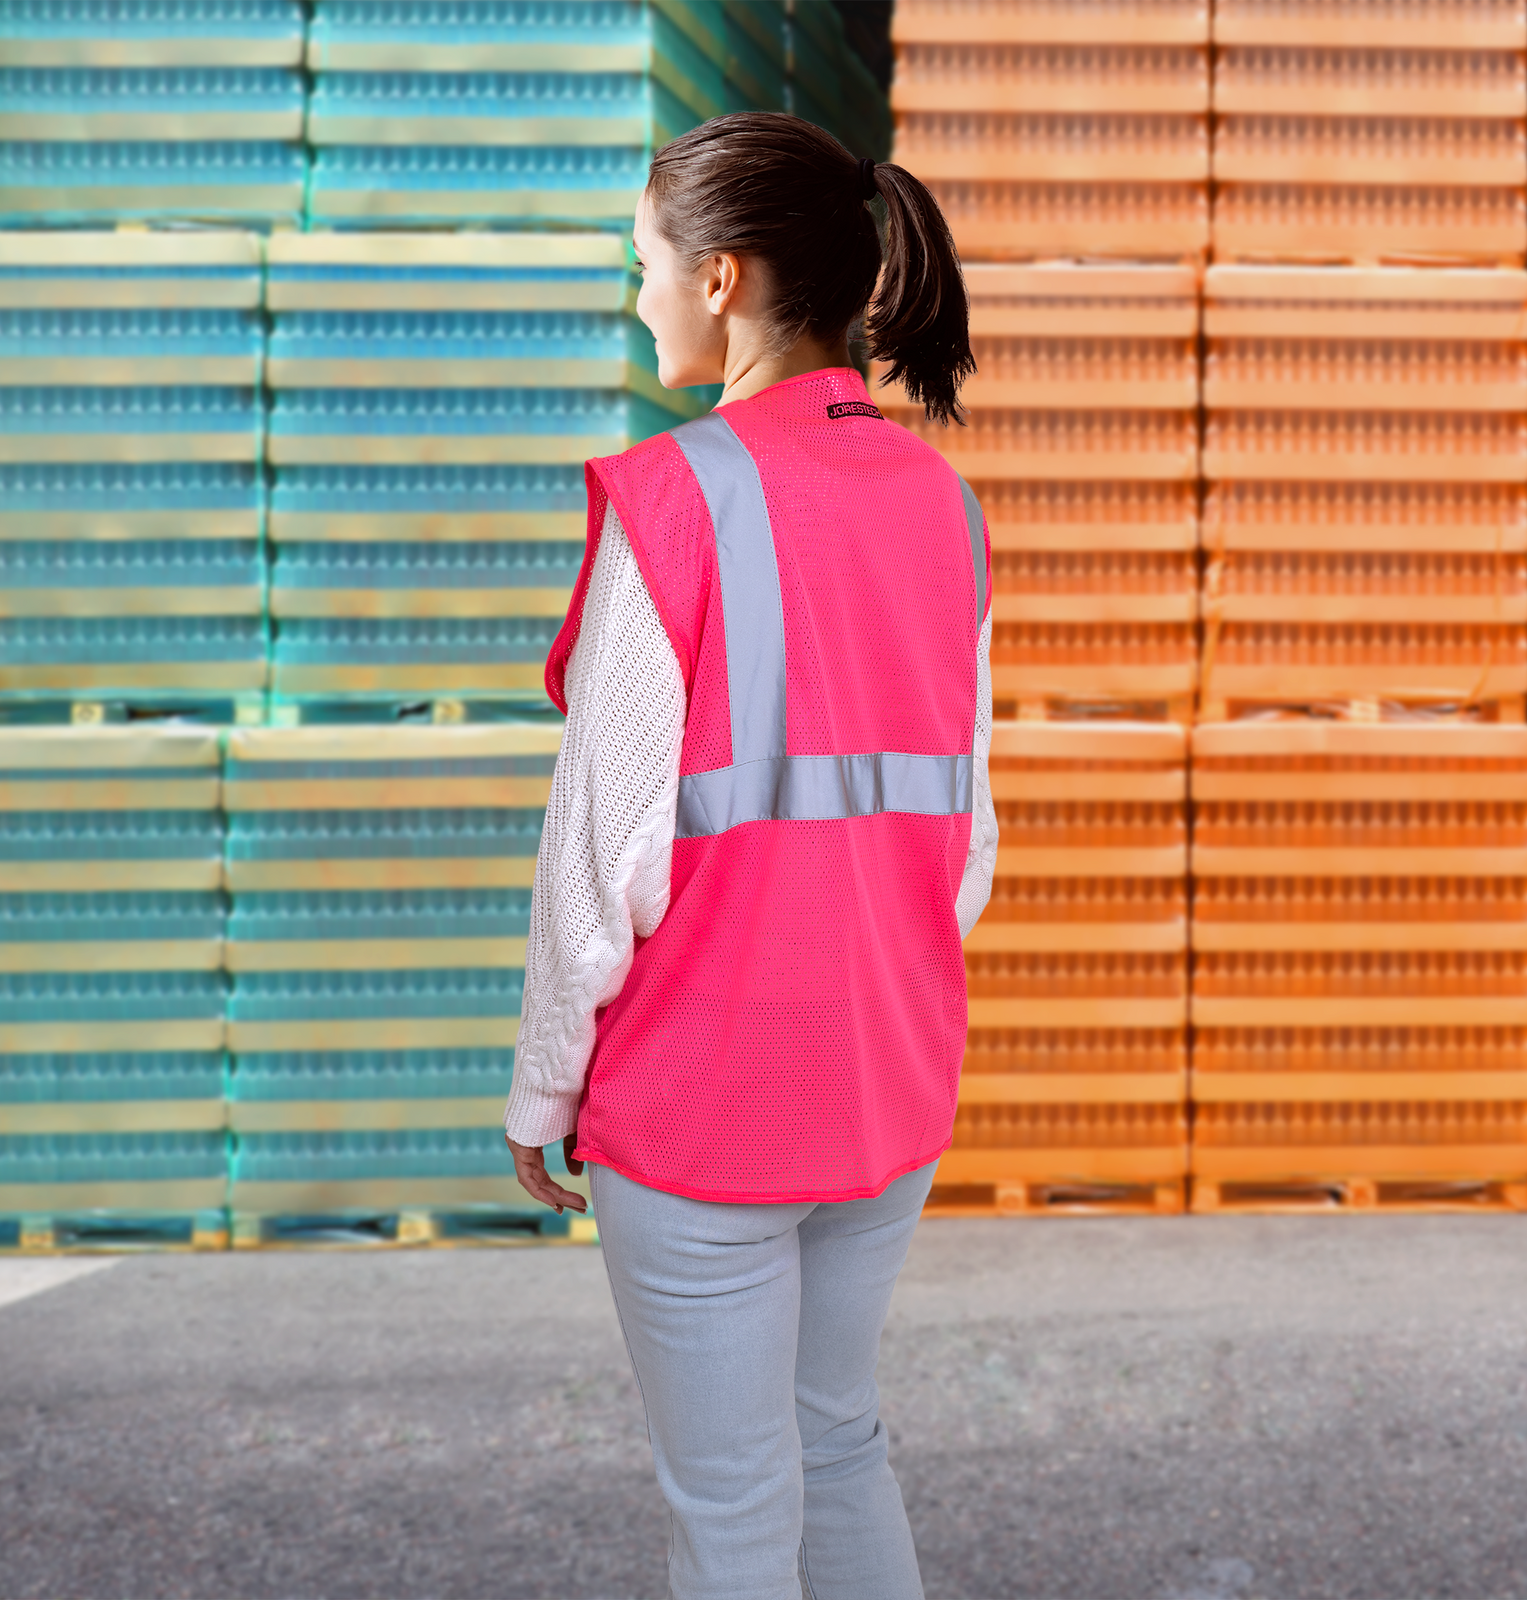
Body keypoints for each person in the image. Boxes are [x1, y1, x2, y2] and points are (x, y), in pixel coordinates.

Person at [503, 111, 997, 1600]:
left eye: (646, 261)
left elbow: (603, 851)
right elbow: (964, 843)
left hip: (707, 1097)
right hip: (885, 1085)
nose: (638, 291)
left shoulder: (673, 501)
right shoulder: (945, 507)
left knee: (726, 1505)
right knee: (837, 1442)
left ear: (720, 281)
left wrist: (544, 1079)